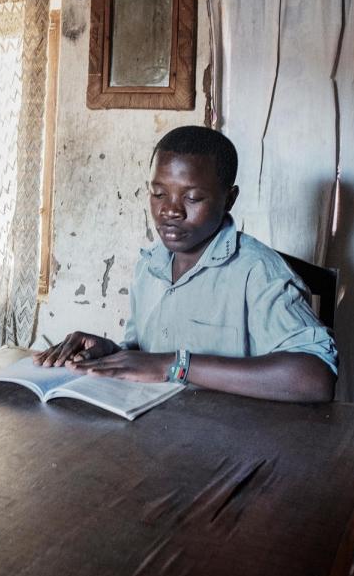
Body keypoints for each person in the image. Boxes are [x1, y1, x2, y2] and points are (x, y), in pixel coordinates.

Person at [33, 126, 337, 403]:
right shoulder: (151, 265)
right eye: (158, 194)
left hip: (231, 438)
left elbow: (315, 378)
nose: (170, 211)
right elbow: (148, 356)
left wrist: (177, 365)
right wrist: (111, 353)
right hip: (154, 427)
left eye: (192, 197)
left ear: (229, 199)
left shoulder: (257, 272)